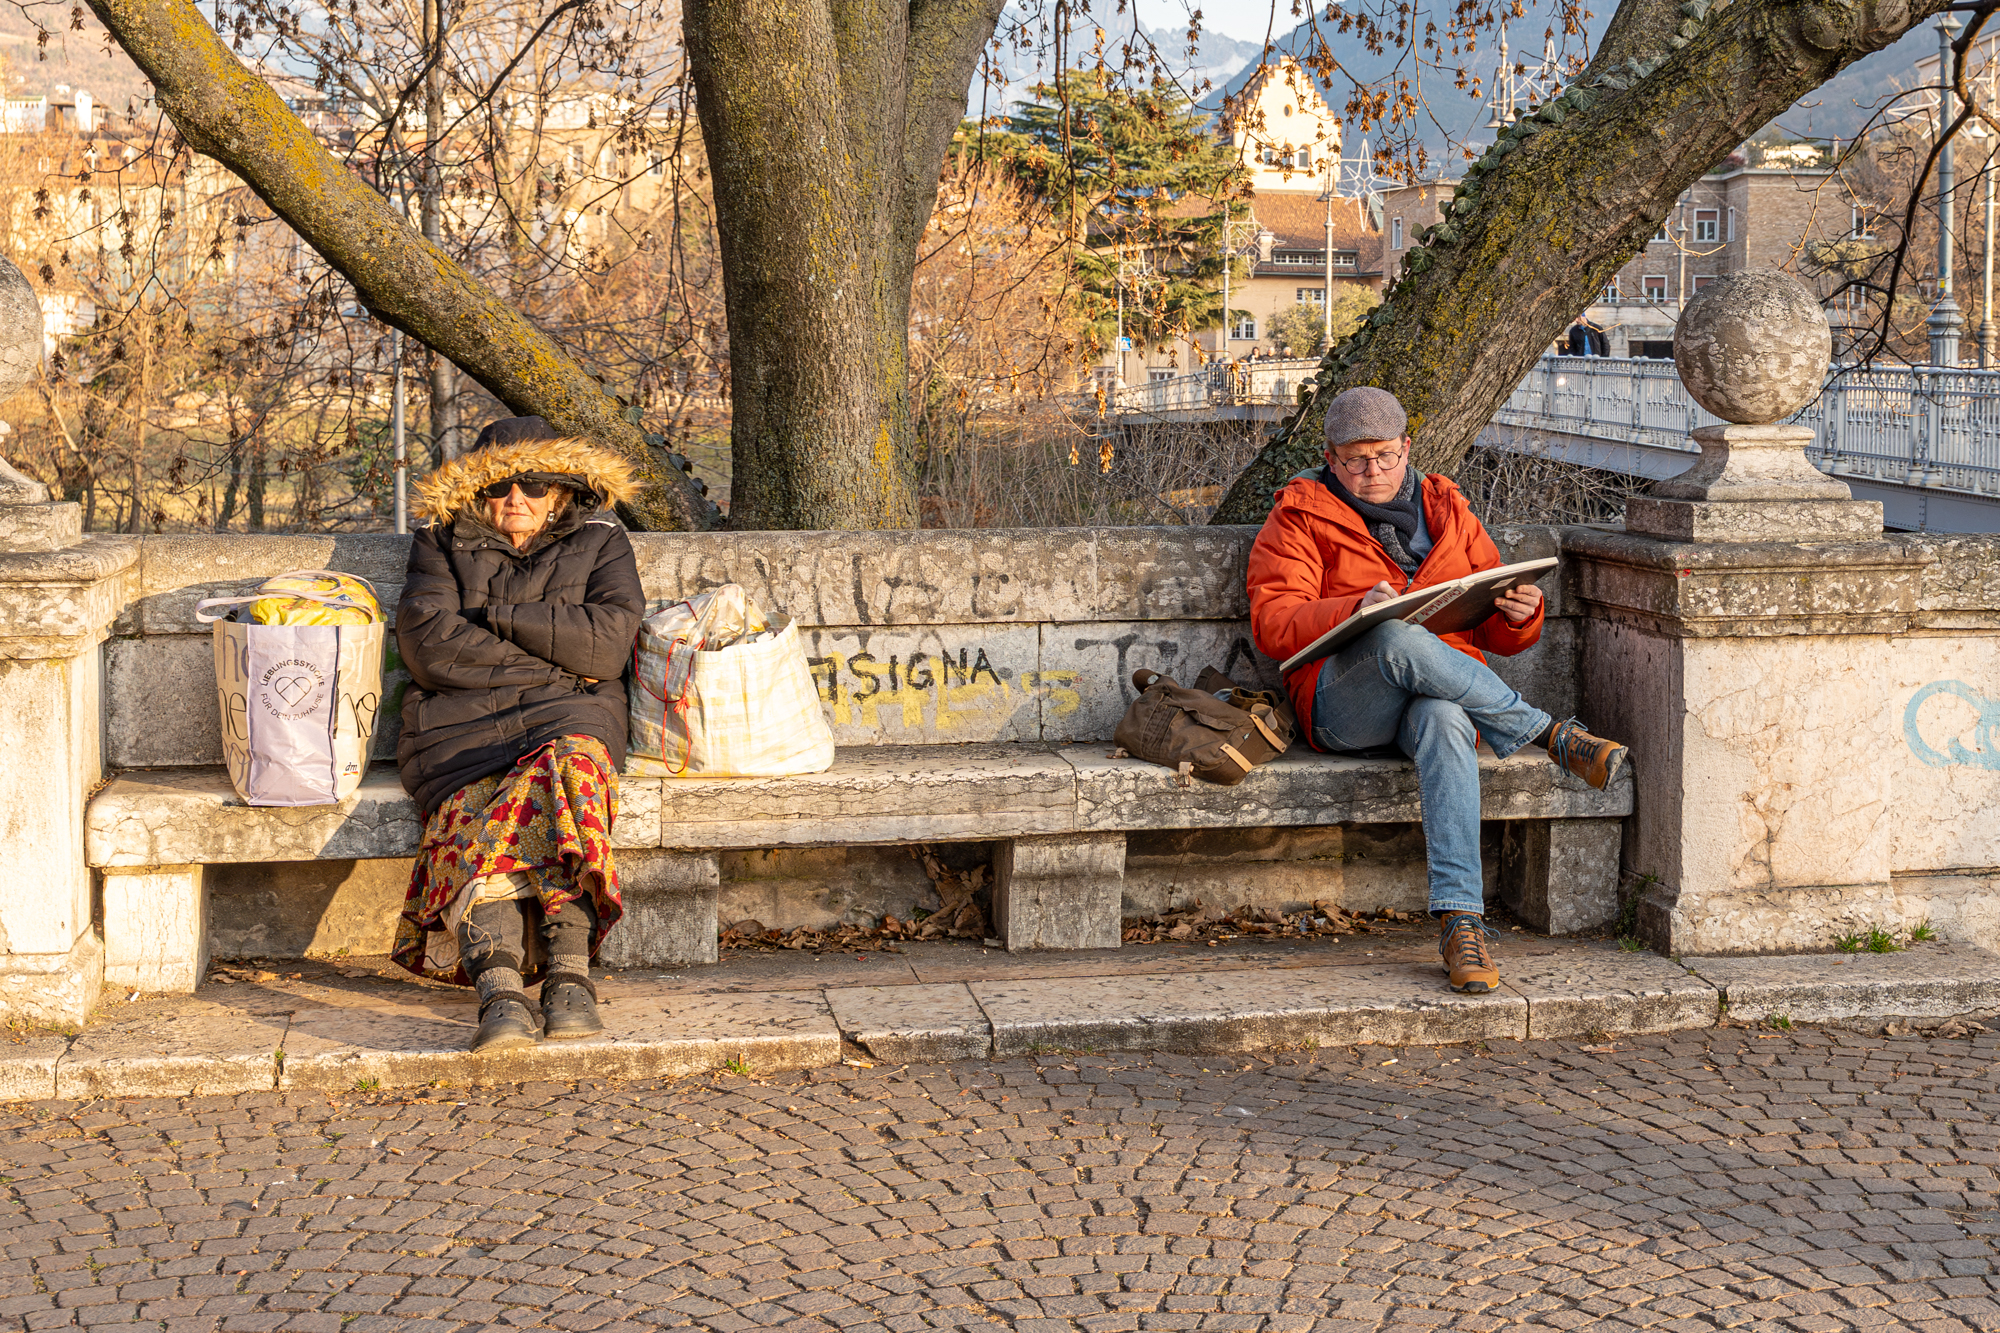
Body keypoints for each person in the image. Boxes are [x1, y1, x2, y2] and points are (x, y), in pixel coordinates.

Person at [1245, 387, 1629, 994]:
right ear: (1329, 456)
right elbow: (1273, 625)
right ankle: (1547, 734)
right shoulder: (1299, 513)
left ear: (1407, 448)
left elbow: (1497, 636)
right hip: (1342, 706)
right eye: (1355, 460)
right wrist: (1352, 608)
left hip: (1434, 699)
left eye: (1386, 457)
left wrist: (1520, 613)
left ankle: (1461, 923)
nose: (1372, 472)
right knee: (1395, 636)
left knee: (1446, 720)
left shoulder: (1447, 509)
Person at [390, 415, 646, 1052]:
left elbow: (609, 643)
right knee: (476, 804)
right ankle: (502, 992)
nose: (517, 499)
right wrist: (555, 664)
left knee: (570, 777)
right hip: (460, 730)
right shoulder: (441, 541)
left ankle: (564, 978)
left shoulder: (602, 541)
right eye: (502, 485)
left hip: (570, 720)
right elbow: (428, 643)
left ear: (561, 490)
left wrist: (498, 616)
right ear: (478, 490)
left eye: (534, 485)